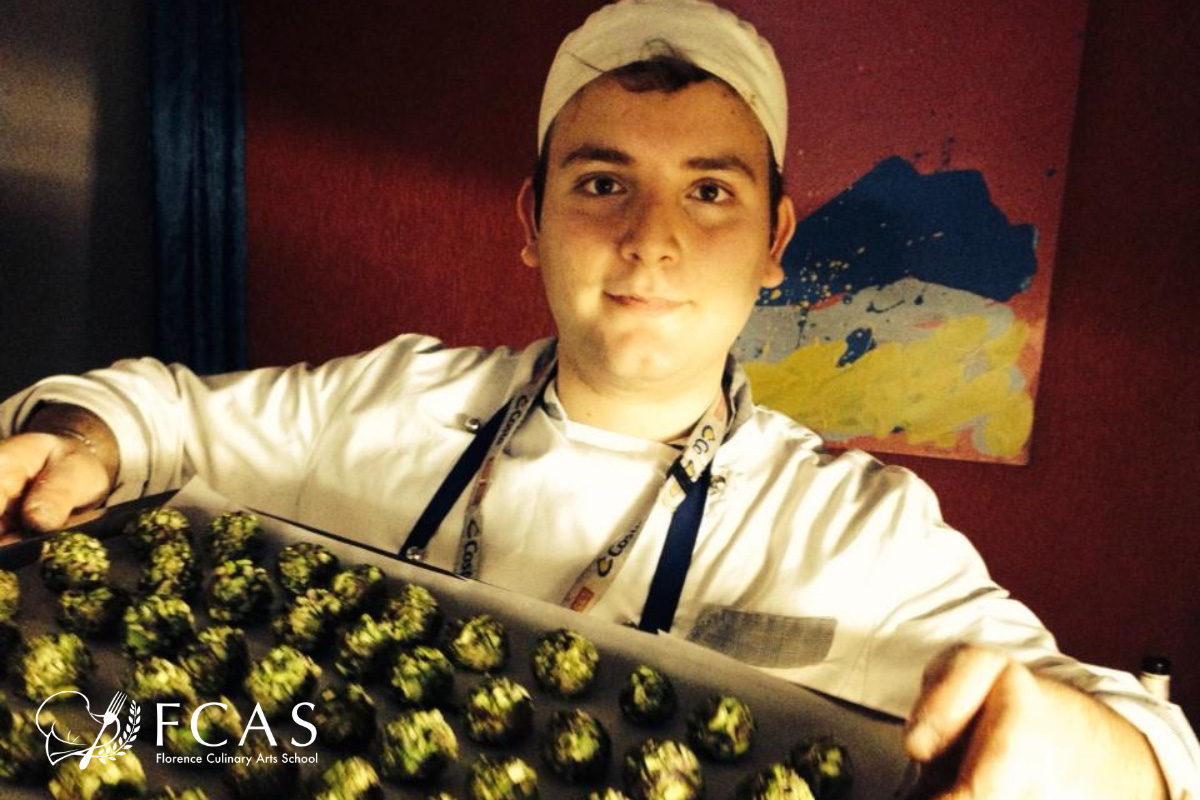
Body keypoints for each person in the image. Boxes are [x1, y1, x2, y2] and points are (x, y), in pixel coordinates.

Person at [1, 0, 1196, 796]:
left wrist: (1104, 755)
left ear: (776, 243)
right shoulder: (395, 398)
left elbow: (1141, 741)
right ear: (533, 220)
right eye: (602, 181)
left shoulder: (853, 527)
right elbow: (157, 412)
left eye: (710, 191)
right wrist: (74, 441)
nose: (651, 240)